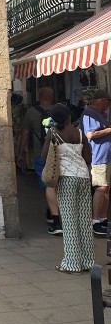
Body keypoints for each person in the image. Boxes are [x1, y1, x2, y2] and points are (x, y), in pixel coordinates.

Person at [42, 103, 94, 273]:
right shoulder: (79, 132)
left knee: (70, 221)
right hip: (83, 177)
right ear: (68, 116)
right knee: (84, 220)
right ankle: (87, 261)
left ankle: (71, 263)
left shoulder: (53, 133)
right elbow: (87, 156)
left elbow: (44, 156)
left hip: (66, 178)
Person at [17, 87, 61, 234]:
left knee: (48, 186)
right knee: (57, 184)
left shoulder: (31, 112)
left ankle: (54, 216)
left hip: (40, 153)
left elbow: (25, 134)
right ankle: (52, 211)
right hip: (59, 153)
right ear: (52, 96)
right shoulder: (60, 111)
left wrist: (20, 153)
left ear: (39, 96)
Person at [81, 89, 111, 237]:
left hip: (105, 157)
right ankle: (95, 221)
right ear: (101, 100)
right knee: (101, 187)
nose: (109, 104)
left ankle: (103, 218)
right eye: (108, 101)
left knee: (106, 188)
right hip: (97, 156)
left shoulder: (98, 114)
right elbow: (91, 134)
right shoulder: (90, 113)